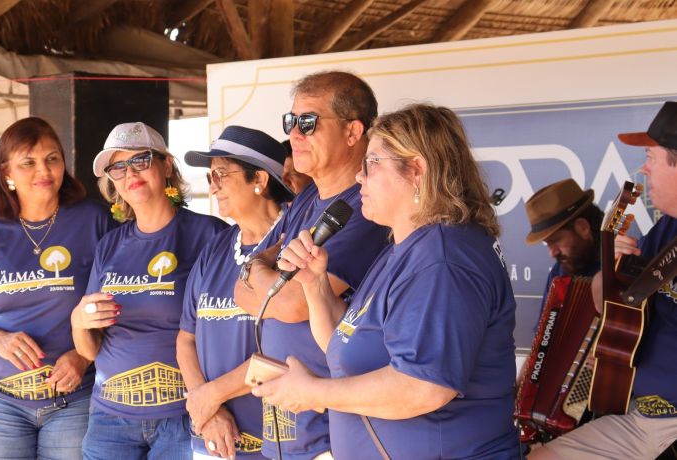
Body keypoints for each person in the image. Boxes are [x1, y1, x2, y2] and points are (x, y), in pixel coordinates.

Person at [253, 103, 521, 459]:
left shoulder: (444, 258)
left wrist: (314, 392)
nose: (360, 177)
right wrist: (314, 284)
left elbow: (423, 387)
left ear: (417, 170)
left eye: (371, 163)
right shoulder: (404, 247)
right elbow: (344, 344)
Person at [0, 117, 116, 460]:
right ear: (6, 172)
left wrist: (81, 356)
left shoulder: (94, 221)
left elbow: (122, 302)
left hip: (74, 396)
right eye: (28, 162)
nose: (44, 171)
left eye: (52, 158)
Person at [233, 70, 389, 460]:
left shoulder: (366, 206)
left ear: (354, 132)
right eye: (291, 122)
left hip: (334, 432)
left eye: (308, 122)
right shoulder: (307, 198)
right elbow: (241, 288)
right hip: (287, 427)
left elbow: (290, 305)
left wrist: (260, 275)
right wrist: (259, 272)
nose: (294, 135)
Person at [71, 122, 227, 460]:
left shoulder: (210, 235)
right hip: (110, 416)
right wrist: (77, 322)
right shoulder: (109, 245)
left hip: (183, 414)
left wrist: (213, 401)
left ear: (166, 165)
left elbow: (229, 328)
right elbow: (90, 350)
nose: (130, 173)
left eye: (141, 160)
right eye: (118, 167)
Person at [529, 101, 677, 459]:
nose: (643, 167)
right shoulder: (667, 228)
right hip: (640, 418)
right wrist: (607, 272)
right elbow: (605, 301)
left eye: (651, 157)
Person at [176, 125, 295, 460]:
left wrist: (212, 394)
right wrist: (207, 407)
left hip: (278, 443)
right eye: (211, 177)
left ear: (258, 179)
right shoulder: (214, 249)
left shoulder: (295, 244)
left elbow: (288, 350)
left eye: (221, 175)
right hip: (214, 440)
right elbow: (186, 338)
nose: (213, 187)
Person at [524, 178, 603, 327]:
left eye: (556, 240)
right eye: (547, 244)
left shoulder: (620, 267)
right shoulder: (559, 273)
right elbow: (542, 337)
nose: (552, 253)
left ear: (583, 228)